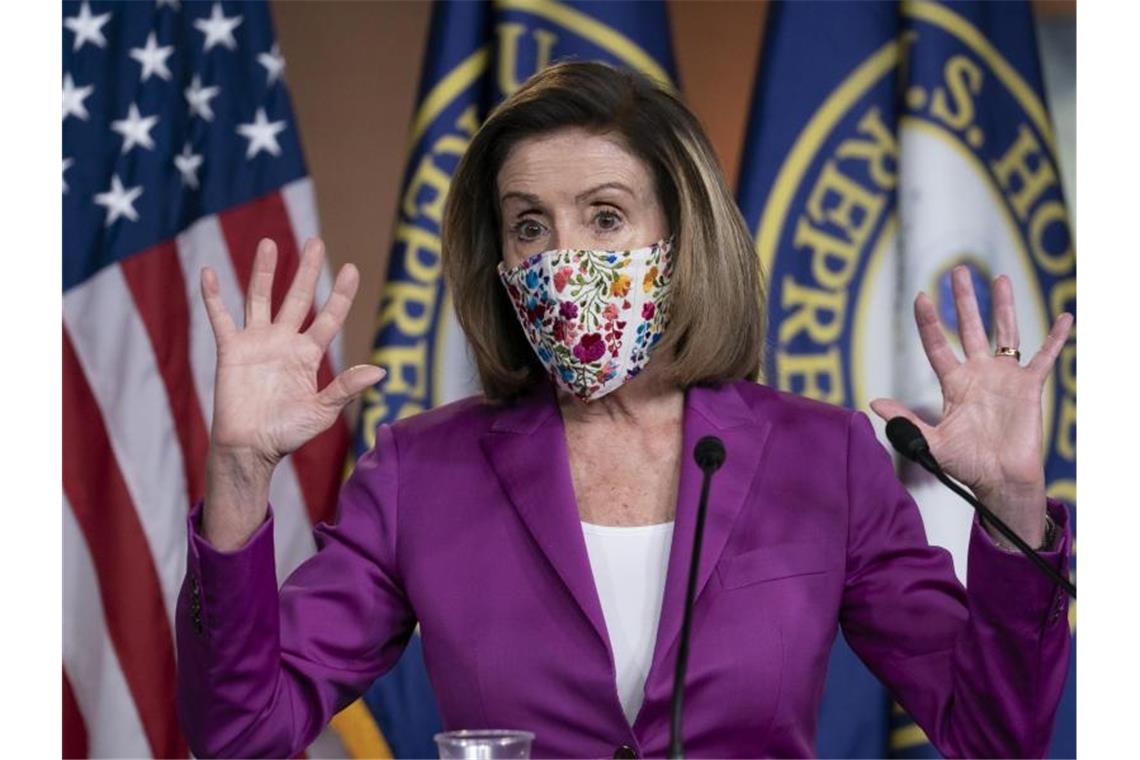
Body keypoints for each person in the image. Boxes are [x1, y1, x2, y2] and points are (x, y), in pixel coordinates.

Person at [177, 61, 1073, 759]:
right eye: (530, 225)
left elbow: (993, 736)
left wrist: (1013, 506)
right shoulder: (423, 473)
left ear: (679, 247)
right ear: (501, 258)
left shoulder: (822, 457)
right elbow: (242, 732)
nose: (563, 257)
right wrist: (239, 472)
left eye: (605, 218)